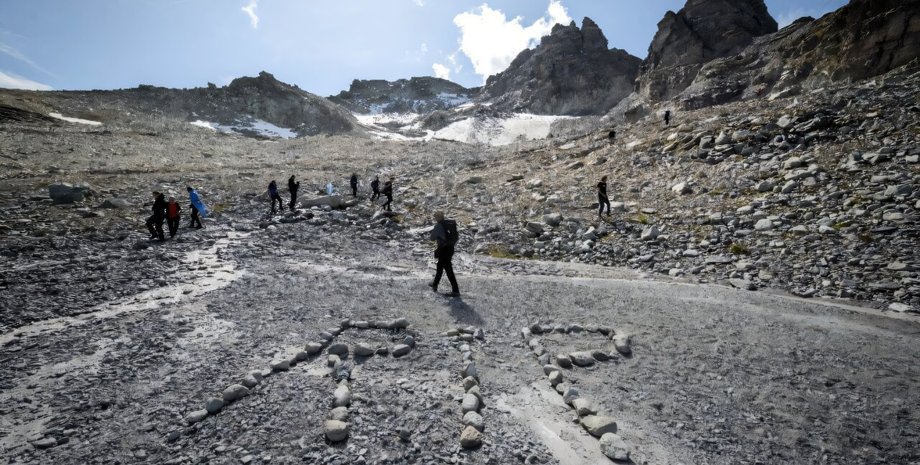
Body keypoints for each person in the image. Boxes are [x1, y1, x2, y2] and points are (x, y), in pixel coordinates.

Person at [429, 211, 460, 296]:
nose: (435, 218)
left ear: (437, 217)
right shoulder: (449, 224)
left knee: (448, 269)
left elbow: (432, 238)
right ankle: (435, 284)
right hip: (450, 248)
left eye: (435, 217)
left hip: (442, 249)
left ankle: (456, 291)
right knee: (440, 266)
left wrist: (436, 233)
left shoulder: (438, 226)